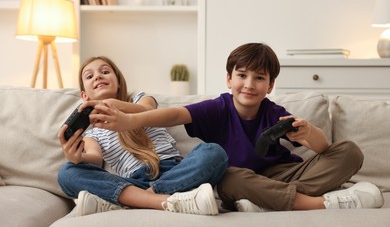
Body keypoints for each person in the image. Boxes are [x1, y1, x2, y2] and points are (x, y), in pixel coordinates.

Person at [86, 43, 384, 212]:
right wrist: (129, 120)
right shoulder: (218, 107)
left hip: (280, 175)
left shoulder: (273, 112)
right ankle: (318, 204)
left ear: (270, 85)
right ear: (229, 79)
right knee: (225, 178)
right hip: (242, 179)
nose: (249, 85)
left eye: (259, 78)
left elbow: (325, 150)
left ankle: (269, 200)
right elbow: (173, 114)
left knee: (349, 151)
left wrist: (308, 133)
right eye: (242, 75)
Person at [57, 56, 228, 217]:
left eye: (105, 71)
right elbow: (94, 158)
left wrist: (115, 106)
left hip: (174, 171)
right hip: (134, 183)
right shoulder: (93, 133)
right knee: (67, 172)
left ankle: (137, 201)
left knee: (214, 152)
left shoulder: (139, 99)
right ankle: (164, 200)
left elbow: (148, 111)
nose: (98, 77)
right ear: (84, 96)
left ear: (118, 82)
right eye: (89, 76)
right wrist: (77, 157)